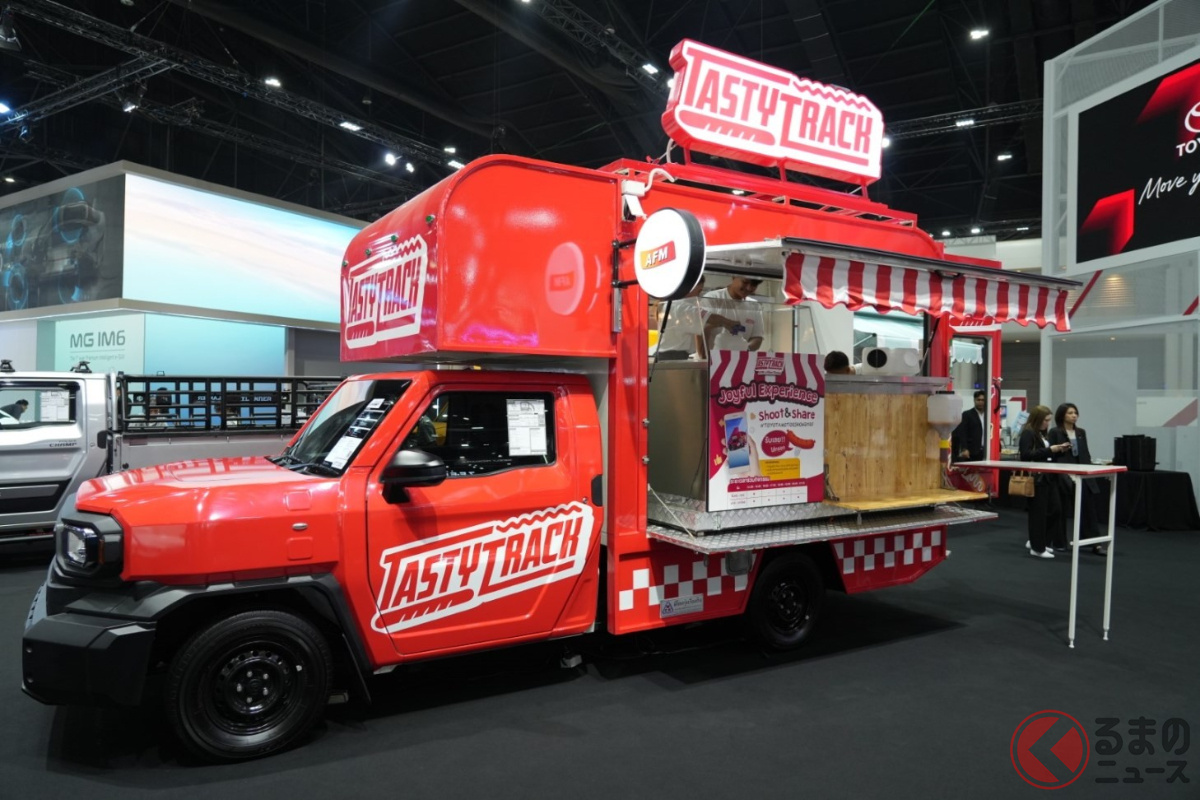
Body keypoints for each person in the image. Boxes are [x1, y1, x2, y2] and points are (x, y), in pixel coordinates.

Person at [1048, 402, 1107, 555]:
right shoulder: (1055, 432)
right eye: (1070, 413)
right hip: (1063, 474)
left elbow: (1085, 452)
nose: (1074, 416)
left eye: (1075, 413)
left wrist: (1090, 471)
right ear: (1062, 416)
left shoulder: (1081, 432)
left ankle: (1094, 544)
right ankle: (1059, 542)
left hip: (1081, 473)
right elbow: (1051, 454)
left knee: (1088, 509)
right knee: (1060, 510)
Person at [1018, 404, 1072, 558]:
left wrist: (1058, 450)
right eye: (1046, 420)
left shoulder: (1041, 433)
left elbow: (1043, 454)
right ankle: (1037, 547)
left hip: (1048, 477)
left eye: (1049, 420)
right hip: (1037, 478)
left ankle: (1041, 542)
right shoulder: (1028, 433)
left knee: (1055, 510)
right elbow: (1026, 455)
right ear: (1038, 419)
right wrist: (1050, 450)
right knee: (1038, 514)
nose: (1048, 423)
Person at [702, 276, 765, 351]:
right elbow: (701, 331)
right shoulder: (712, 298)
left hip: (740, 357)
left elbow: (757, 337)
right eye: (745, 282)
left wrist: (744, 349)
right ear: (734, 277)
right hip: (713, 356)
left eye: (754, 285)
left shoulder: (754, 305)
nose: (749, 288)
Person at [654, 276, 707, 360]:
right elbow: (710, 319)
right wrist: (727, 322)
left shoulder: (671, 304)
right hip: (674, 357)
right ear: (689, 288)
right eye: (698, 291)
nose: (698, 295)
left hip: (668, 355)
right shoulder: (681, 307)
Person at [951, 390, 987, 463]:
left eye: (983, 400)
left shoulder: (989, 416)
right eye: (978, 400)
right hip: (972, 452)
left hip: (986, 451)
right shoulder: (967, 415)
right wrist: (964, 448)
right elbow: (962, 433)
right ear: (974, 400)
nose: (980, 402)